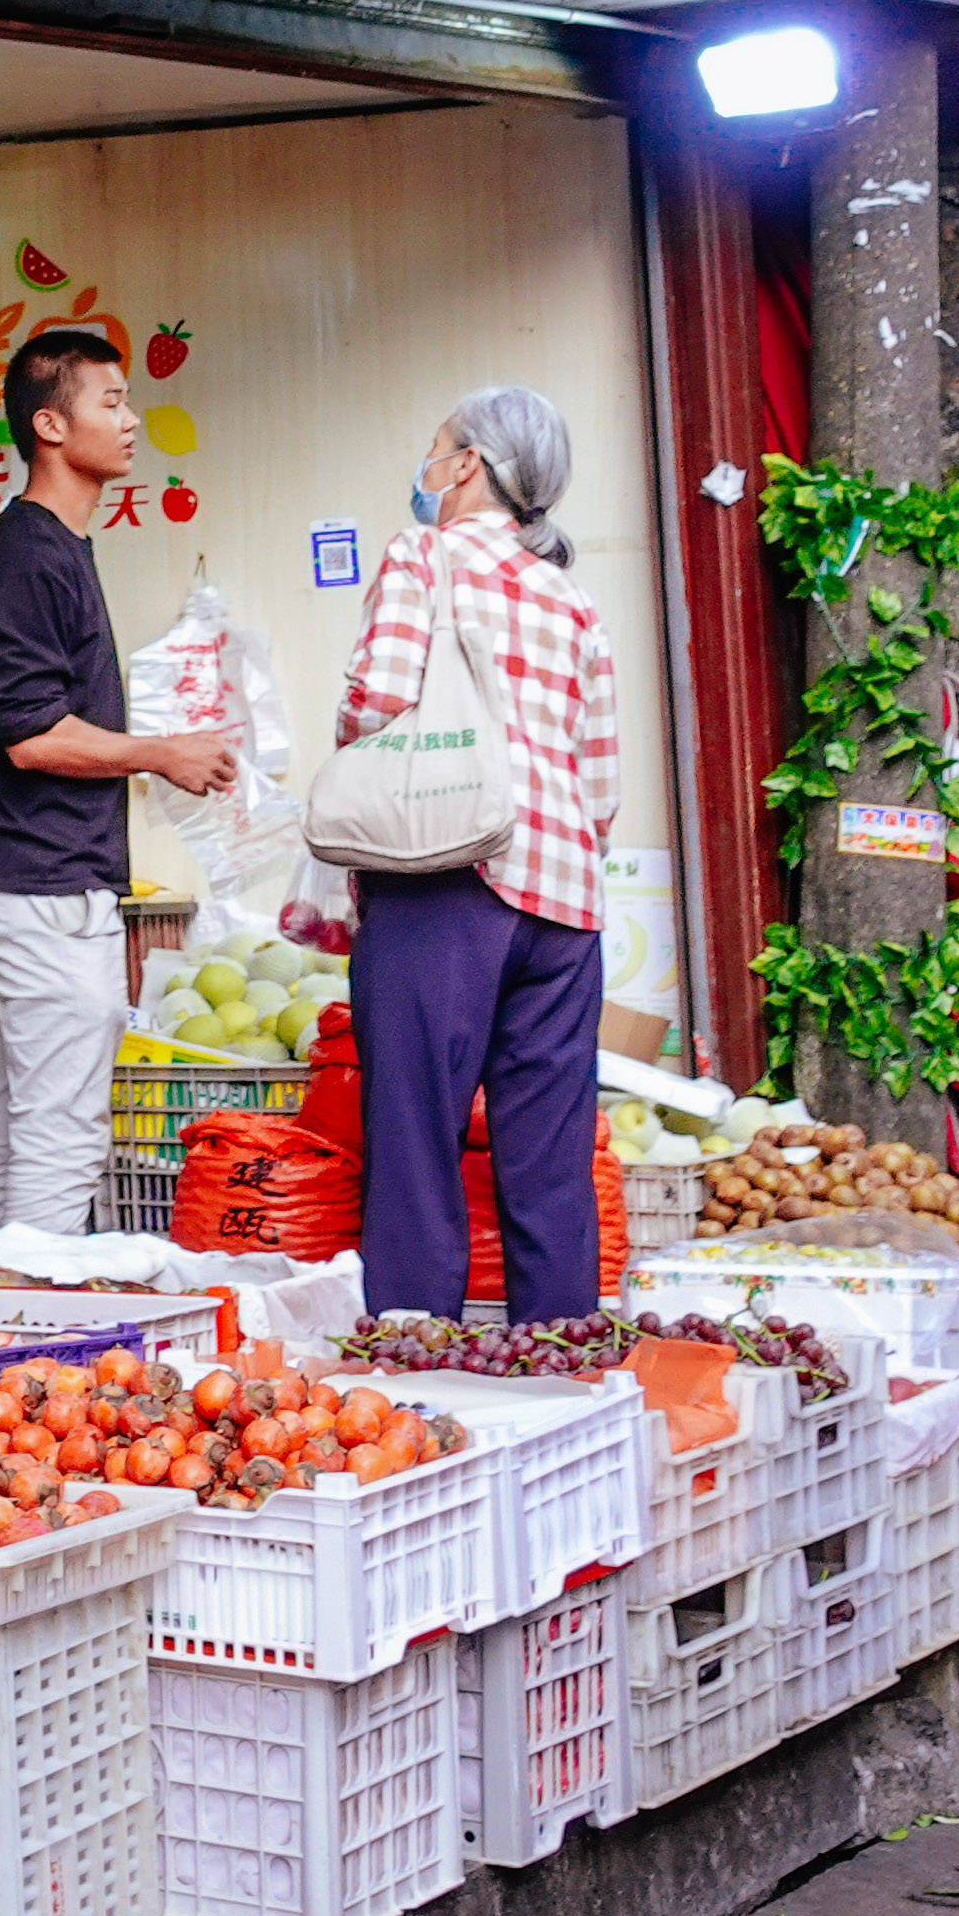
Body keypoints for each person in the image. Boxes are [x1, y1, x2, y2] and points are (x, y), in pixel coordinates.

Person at [332, 385, 623, 1322]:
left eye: (436, 448)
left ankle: (420, 1391)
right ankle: (562, 1376)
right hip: (566, 904)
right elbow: (602, 787)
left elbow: (376, 705)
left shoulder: (426, 554)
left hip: (448, 883)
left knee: (417, 1149)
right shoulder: (573, 601)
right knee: (551, 1166)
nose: (426, 469)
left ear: (467, 466)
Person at [0, 326, 241, 1239]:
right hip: (40, 892)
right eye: (109, 403)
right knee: (62, 1137)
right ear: (48, 424)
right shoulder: (32, 556)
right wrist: (161, 751)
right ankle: (24, 1347)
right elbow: (30, 737)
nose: (131, 420)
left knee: (7, 1130)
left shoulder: (56, 547)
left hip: (30, 888)